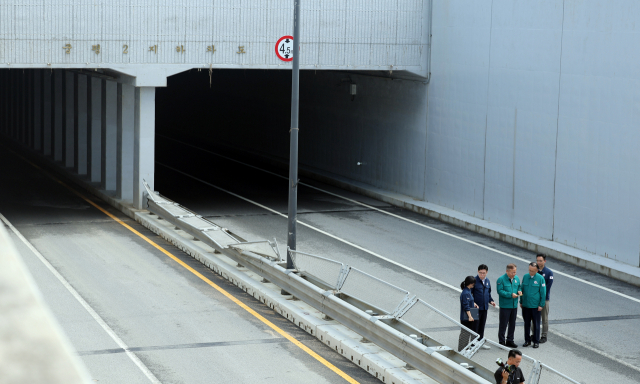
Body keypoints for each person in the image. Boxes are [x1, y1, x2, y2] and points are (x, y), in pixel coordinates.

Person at [520, 262, 546, 348]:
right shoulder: (525, 277)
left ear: (537, 270)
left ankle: (536, 341)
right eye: (530, 270)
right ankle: (527, 340)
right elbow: (521, 289)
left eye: (533, 271)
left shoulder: (540, 278)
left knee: (536, 324)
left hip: (535, 306)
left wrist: (541, 305)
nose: (531, 272)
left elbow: (543, 293)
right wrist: (521, 301)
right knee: (526, 324)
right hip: (526, 305)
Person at [496, 264, 521, 348]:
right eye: (512, 272)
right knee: (503, 324)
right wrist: (510, 294)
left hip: (514, 305)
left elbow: (519, 287)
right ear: (507, 271)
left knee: (512, 324)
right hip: (505, 306)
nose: (514, 274)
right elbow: (500, 291)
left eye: (515, 272)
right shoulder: (501, 279)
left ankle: (510, 340)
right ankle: (502, 341)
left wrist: (519, 291)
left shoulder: (516, 278)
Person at [472, 264, 496, 350]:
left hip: (484, 308)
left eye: (484, 273)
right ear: (478, 272)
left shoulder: (487, 281)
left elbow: (488, 293)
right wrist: (473, 302)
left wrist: (491, 301)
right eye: (480, 273)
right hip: (475, 308)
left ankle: (480, 342)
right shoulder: (473, 281)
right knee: (475, 326)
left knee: (482, 326)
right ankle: (473, 344)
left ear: (487, 272)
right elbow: (469, 294)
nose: (482, 275)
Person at [534, 254, 553, 343]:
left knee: (544, 318)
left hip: (545, 299)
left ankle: (544, 335)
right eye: (537, 260)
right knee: (533, 317)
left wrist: (541, 299)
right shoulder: (534, 271)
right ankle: (534, 334)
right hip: (534, 299)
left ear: (544, 261)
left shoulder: (549, 273)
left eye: (540, 261)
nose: (539, 262)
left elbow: (547, 287)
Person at [459, 276, 479, 351]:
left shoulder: (468, 291)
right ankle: (461, 349)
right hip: (466, 318)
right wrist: (470, 316)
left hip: (469, 316)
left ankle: (465, 348)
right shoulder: (465, 293)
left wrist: (474, 303)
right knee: (465, 335)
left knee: (467, 334)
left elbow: (469, 301)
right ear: (470, 284)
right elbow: (466, 306)